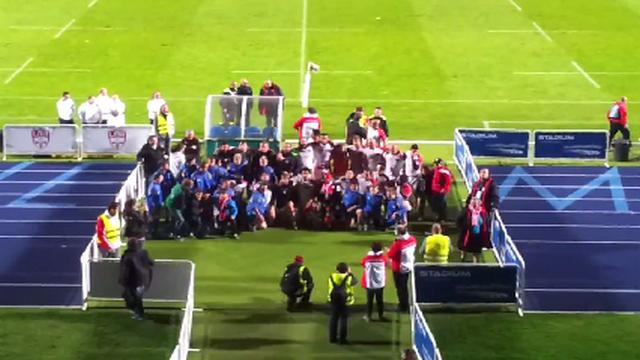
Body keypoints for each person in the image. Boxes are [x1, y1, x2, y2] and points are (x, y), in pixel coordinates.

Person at [119, 238, 154, 320]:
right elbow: (152, 262)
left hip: (133, 280)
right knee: (137, 297)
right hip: (144, 279)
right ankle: (138, 313)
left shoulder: (127, 255)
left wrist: (122, 280)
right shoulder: (144, 253)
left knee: (134, 298)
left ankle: (139, 314)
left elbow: (124, 269)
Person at [387, 226, 416, 312]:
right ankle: (405, 304)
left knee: (400, 288)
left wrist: (390, 248)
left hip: (399, 268)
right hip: (409, 266)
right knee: (404, 287)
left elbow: (390, 255)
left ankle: (403, 306)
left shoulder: (398, 243)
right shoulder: (412, 239)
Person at [327, 262, 357, 345]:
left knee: (333, 319)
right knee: (343, 319)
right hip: (345, 301)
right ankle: (342, 339)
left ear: (337, 270)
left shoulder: (331, 276)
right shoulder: (348, 277)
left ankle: (332, 338)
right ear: (346, 270)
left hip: (333, 300)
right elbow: (355, 282)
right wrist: (350, 273)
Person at [361, 242, 388, 322]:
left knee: (369, 300)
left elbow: (362, 263)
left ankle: (368, 316)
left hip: (370, 283)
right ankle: (381, 315)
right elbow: (386, 263)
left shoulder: (367, 259)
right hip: (380, 283)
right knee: (380, 300)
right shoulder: (383, 258)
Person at [458, 198, 490, 263]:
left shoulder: (483, 212)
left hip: (478, 237)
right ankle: (463, 261)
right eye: (474, 203)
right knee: (465, 250)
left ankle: (476, 265)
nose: (475, 204)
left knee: (476, 253)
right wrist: (463, 228)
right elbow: (459, 220)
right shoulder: (466, 211)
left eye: (476, 203)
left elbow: (486, 223)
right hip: (467, 235)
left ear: (479, 204)